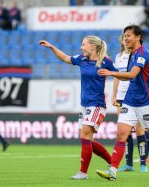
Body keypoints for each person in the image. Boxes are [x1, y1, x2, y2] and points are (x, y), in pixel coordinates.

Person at [96, 25, 149, 181]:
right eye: (124, 35)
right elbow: (127, 77)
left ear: (138, 37)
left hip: (147, 102)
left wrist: (111, 73)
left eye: (129, 35)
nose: (125, 38)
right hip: (130, 101)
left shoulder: (142, 54)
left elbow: (132, 75)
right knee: (121, 134)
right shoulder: (131, 55)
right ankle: (112, 171)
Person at [39, 35, 117, 180]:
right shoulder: (82, 59)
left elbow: (119, 74)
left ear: (92, 47)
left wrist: (116, 95)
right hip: (84, 105)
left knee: (85, 136)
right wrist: (51, 47)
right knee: (87, 140)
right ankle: (113, 164)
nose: (81, 47)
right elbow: (65, 58)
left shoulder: (106, 62)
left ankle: (82, 173)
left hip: (97, 105)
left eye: (84, 44)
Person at [112, 35, 148, 173]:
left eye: (127, 38)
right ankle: (129, 164)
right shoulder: (119, 56)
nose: (125, 40)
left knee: (139, 130)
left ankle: (143, 164)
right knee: (124, 132)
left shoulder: (138, 55)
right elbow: (116, 77)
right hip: (121, 97)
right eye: (123, 38)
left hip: (135, 96)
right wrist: (114, 95)